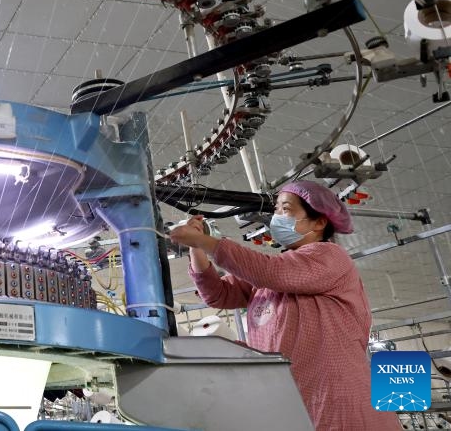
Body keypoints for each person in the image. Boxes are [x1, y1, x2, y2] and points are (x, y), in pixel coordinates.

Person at [168, 180, 403, 431]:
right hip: (293, 404)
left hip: (338, 403)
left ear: (319, 222)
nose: (276, 217)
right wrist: (197, 247)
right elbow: (218, 295)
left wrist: (208, 242)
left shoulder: (330, 256)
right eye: (276, 210)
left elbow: (270, 272)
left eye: (285, 209)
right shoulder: (271, 276)